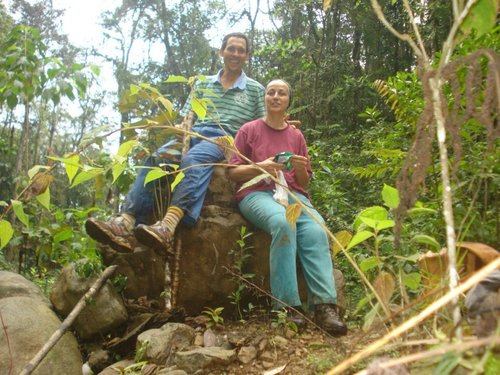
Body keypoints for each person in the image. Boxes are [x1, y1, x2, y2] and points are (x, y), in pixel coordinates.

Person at [86, 32, 266, 256]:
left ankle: (168, 225)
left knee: (194, 160)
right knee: (156, 158)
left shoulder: (255, 89)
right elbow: (188, 115)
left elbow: (262, 126)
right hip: (194, 134)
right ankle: (126, 221)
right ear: (222, 52)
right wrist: (183, 129)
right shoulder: (202, 83)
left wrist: (243, 148)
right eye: (231, 48)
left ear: (247, 55)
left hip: (223, 139)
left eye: (241, 50)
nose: (236, 54)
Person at [227, 79, 347, 336]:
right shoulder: (249, 129)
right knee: (283, 223)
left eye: (281, 93)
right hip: (256, 193)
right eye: (271, 92)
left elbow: (303, 183)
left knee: (317, 229)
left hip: (293, 196)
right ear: (265, 98)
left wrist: (302, 169)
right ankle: (286, 306)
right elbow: (233, 172)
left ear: (288, 101)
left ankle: (324, 306)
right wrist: (261, 166)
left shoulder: (296, 135)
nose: (275, 96)